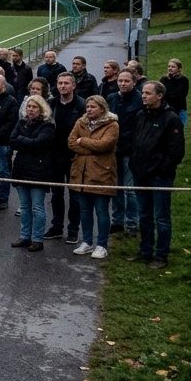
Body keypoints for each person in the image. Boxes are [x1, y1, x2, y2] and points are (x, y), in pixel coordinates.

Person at [128, 81, 185, 270]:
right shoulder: (140, 115)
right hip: (140, 173)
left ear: (159, 95)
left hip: (160, 176)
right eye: (143, 93)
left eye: (148, 93)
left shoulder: (171, 118)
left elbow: (176, 150)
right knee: (143, 214)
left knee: (161, 216)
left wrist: (163, 170)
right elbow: (136, 141)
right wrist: (134, 164)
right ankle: (145, 251)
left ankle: (161, 255)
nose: (143, 96)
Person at [69, 94, 119, 260]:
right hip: (82, 173)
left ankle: (102, 244)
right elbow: (71, 142)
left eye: (93, 107)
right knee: (85, 210)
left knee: (101, 211)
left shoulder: (112, 125)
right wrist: (91, 149)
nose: (89, 109)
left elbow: (105, 144)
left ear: (102, 109)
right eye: (88, 107)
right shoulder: (80, 122)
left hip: (102, 173)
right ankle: (87, 241)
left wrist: (83, 141)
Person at [9, 95, 56, 251]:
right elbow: (12, 140)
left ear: (41, 109)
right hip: (21, 168)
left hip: (38, 170)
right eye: (29, 107)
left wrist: (23, 140)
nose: (31, 110)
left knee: (37, 207)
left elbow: (40, 143)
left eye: (34, 107)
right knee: (24, 206)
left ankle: (37, 238)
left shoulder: (48, 125)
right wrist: (26, 141)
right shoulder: (22, 122)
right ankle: (25, 236)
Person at [46, 72, 84, 244]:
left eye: (66, 83)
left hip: (74, 157)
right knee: (56, 194)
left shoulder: (82, 105)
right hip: (54, 156)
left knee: (75, 195)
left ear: (73, 85)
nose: (62, 86)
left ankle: (73, 229)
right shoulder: (51, 104)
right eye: (60, 83)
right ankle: (56, 226)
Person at [105, 70, 143, 236]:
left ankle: (132, 224)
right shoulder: (112, 98)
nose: (122, 84)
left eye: (126, 81)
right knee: (115, 188)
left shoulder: (140, 100)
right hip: (113, 149)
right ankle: (117, 221)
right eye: (120, 81)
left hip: (130, 149)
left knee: (130, 189)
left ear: (134, 82)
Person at [0, 73, 19, 209]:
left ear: (3, 85)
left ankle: (4, 198)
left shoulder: (11, 101)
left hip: (3, 143)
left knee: (3, 171)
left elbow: (11, 122)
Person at [160, 58, 189, 127]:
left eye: (173, 67)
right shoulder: (164, 79)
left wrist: (167, 94)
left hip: (179, 110)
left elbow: (180, 95)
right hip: (165, 110)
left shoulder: (183, 80)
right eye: (169, 66)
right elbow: (160, 93)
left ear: (179, 69)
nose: (170, 68)